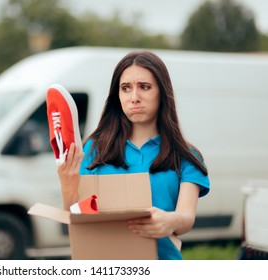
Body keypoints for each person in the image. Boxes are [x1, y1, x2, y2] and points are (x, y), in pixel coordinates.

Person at [56, 50, 210, 260]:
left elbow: (186, 218)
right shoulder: (94, 149)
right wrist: (67, 184)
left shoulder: (185, 155)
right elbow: (76, 217)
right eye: (126, 88)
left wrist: (170, 221)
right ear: (117, 95)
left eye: (144, 87)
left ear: (162, 92)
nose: (134, 98)